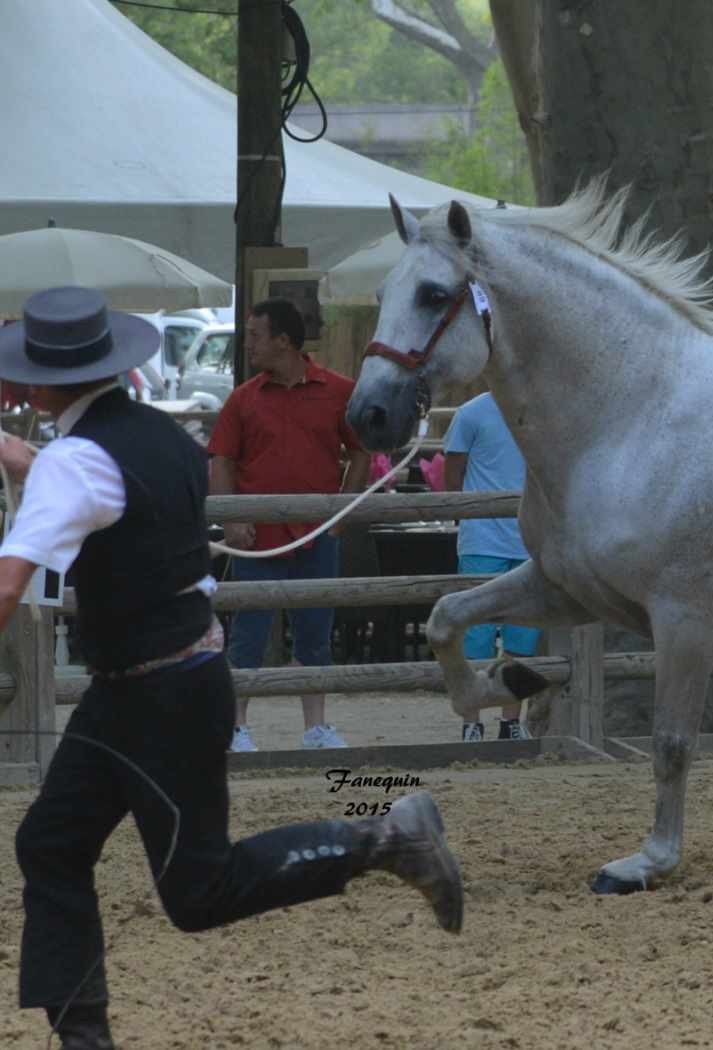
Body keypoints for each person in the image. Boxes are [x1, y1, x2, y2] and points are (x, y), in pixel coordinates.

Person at [0, 287, 462, 1050]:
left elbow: (14, 579)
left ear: (43, 382)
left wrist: (35, 470)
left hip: (154, 696)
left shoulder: (76, 464)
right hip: (154, 685)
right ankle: (83, 1037)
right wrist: (21, 457)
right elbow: (96, 483)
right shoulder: (153, 435)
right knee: (49, 844)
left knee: (199, 892)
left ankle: (385, 837)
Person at [208, 298, 370, 751]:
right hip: (257, 537)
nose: (249, 346)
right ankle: (237, 727)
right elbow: (221, 459)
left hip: (318, 534)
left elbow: (362, 451)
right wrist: (231, 518)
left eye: (256, 336)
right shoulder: (243, 398)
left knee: (317, 633)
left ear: (283, 341)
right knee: (248, 636)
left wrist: (342, 514)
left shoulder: (341, 391)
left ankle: (316, 727)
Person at [443, 391, 540, 742]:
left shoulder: (538, 407)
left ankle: (510, 721)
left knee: (523, 636)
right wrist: (465, 517)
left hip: (529, 538)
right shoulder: (470, 413)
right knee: (475, 636)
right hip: (482, 539)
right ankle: (472, 721)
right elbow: (452, 472)